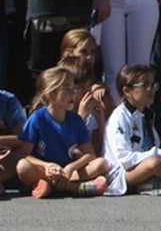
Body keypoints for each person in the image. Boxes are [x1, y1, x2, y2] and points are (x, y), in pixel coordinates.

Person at [16, 66, 112, 197]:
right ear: (51, 94)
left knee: (101, 164)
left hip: (68, 170)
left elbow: (90, 155)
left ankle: (51, 185)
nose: (72, 93)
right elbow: (25, 154)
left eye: (73, 89)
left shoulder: (76, 120)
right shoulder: (37, 118)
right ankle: (75, 188)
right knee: (23, 167)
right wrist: (46, 166)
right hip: (46, 170)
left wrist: (71, 167)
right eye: (66, 89)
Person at [104, 64, 161, 194]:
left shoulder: (146, 114)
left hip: (142, 165)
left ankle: (152, 183)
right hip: (121, 174)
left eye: (153, 85)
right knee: (154, 164)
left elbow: (153, 145)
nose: (151, 90)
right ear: (127, 91)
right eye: (145, 85)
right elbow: (124, 158)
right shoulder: (120, 117)